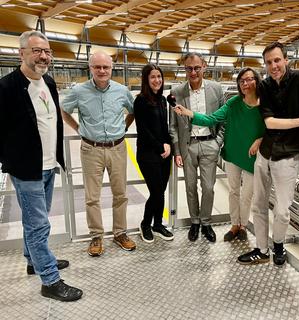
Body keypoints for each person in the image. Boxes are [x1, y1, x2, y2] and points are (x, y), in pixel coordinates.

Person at [0, 30, 82, 301]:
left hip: (48, 165)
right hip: (26, 170)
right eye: (37, 50)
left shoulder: (48, 81)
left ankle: (33, 260)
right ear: (21, 52)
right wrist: (10, 160)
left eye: (47, 51)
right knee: (39, 225)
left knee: (35, 220)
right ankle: (49, 280)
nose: (44, 56)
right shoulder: (7, 87)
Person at [237, 42, 299, 267]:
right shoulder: (264, 86)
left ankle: (279, 244)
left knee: (282, 211)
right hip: (266, 153)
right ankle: (261, 250)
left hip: (289, 155)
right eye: (268, 62)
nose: (273, 66)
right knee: (259, 205)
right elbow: (270, 122)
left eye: (277, 60)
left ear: (286, 60)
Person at [174, 67, 265, 241]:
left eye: (249, 79)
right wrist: (188, 113)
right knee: (233, 192)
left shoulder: (265, 104)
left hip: (253, 156)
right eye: (242, 81)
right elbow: (212, 119)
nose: (245, 83)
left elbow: (271, 127)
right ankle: (234, 225)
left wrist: (260, 139)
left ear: (257, 81)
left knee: (247, 194)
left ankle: (243, 225)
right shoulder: (233, 103)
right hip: (232, 153)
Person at [61, 51, 136, 257]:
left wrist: (123, 128)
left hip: (117, 148)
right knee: (92, 197)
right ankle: (96, 236)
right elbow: (64, 111)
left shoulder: (122, 90)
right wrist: (79, 129)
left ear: (111, 69)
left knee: (120, 194)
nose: (102, 71)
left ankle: (120, 233)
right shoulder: (79, 91)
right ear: (90, 68)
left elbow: (133, 111)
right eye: (97, 67)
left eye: (106, 67)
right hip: (90, 149)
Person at [169, 52, 224, 242]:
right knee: (190, 187)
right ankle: (194, 222)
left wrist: (218, 142)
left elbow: (224, 119)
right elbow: (173, 125)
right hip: (188, 146)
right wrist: (177, 151)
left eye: (196, 68)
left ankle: (206, 222)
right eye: (189, 68)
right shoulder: (177, 92)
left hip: (210, 144)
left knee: (208, 187)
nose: (193, 72)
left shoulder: (216, 89)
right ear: (184, 69)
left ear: (204, 67)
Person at [134, 64, 174, 243]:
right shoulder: (141, 100)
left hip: (164, 153)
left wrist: (169, 145)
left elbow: (164, 127)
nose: (157, 80)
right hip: (148, 154)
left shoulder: (163, 100)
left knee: (162, 190)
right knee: (156, 191)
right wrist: (160, 147)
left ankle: (158, 224)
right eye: (153, 77)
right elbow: (143, 130)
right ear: (146, 80)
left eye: (159, 76)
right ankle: (145, 224)